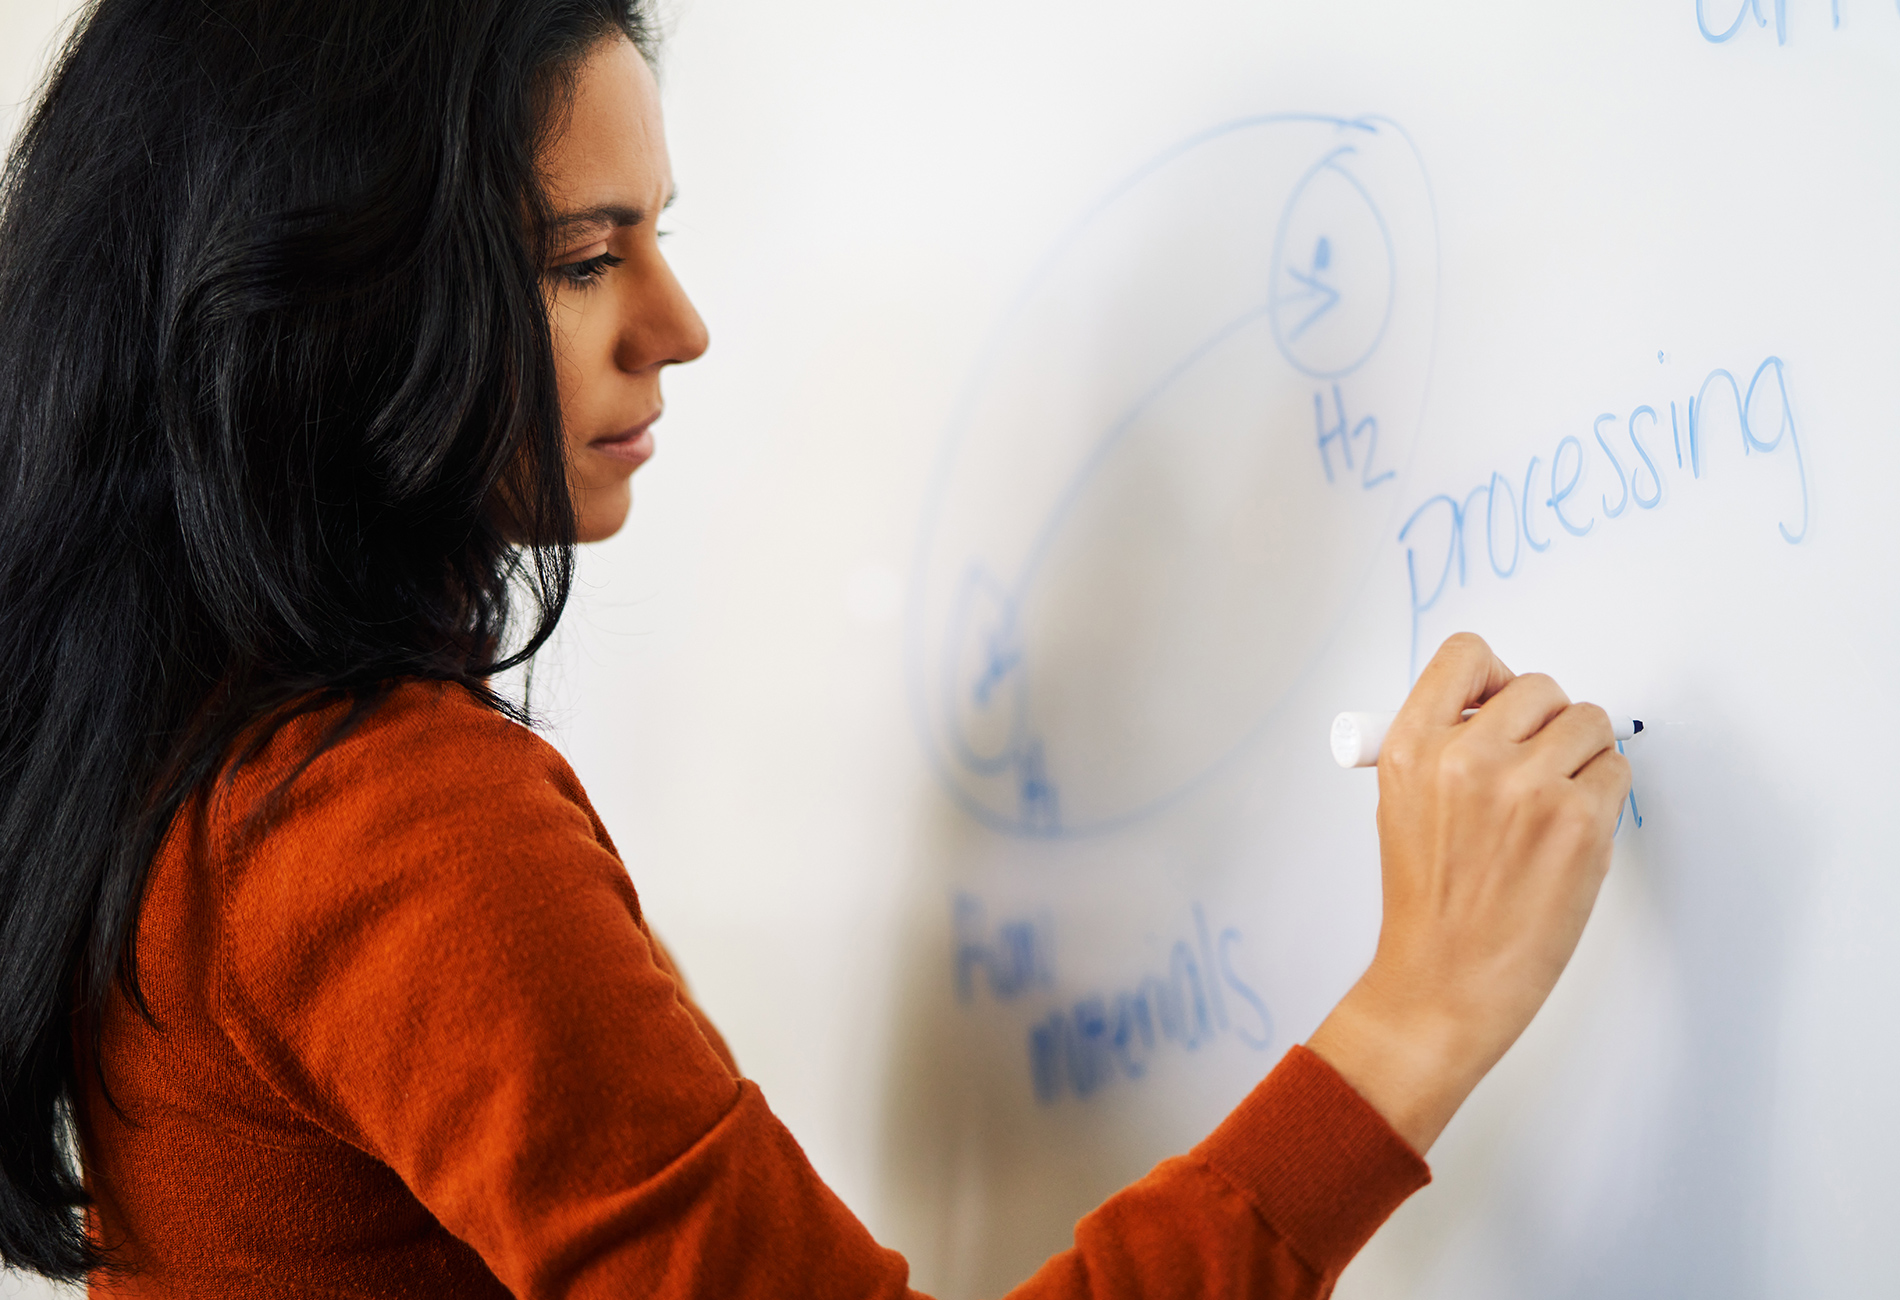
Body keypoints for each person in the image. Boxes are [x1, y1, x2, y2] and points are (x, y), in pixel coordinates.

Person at [0, 1, 1631, 1295]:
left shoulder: (177, 747)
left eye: (657, 232)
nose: (680, 323)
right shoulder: (387, 826)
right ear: (323, 309)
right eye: (584, 259)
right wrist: (1420, 1013)